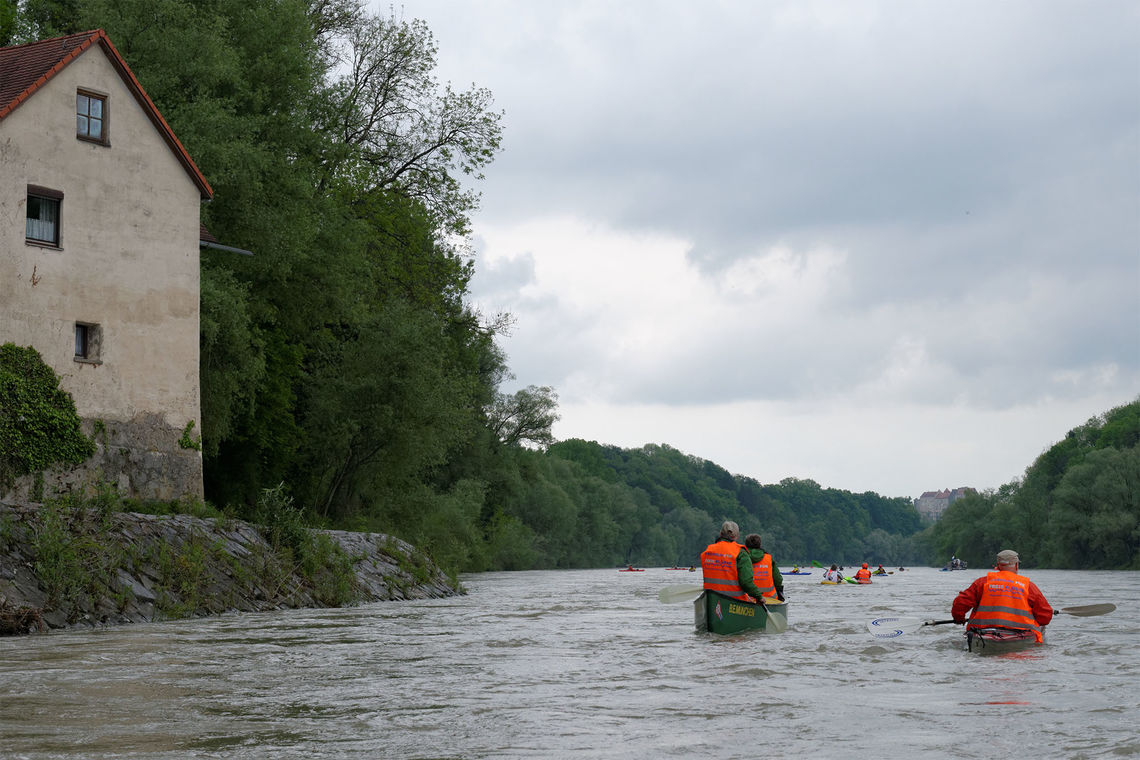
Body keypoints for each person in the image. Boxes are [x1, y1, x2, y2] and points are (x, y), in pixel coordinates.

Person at [951, 549, 1053, 642]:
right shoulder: (1028, 586)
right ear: (1016, 565)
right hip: (1018, 636)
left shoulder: (982, 582)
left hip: (982, 634)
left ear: (998, 565)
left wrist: (959, 618)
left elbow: (960, 603)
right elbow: (1045, 616)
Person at [700, 521, 754, 602]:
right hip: (735, 600)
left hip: (711, 599)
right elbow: (746, 583)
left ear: (721, 534)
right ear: (737, 536)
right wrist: (759, 596)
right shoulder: (740, 552)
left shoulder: (707, 551)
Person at [743, 534, 785, 601]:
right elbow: (778, 579)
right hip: (770, 599)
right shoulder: (769, 558)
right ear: (759, 544)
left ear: (746, 544)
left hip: (747, 599)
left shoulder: (741, 557)